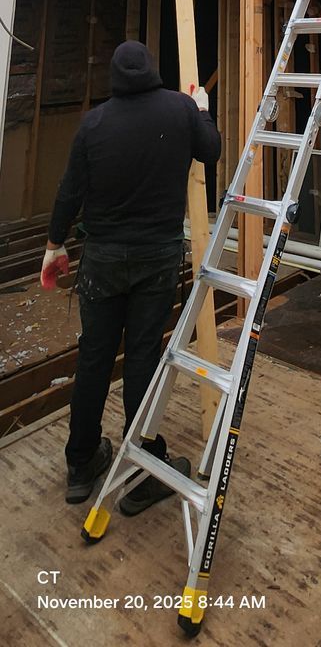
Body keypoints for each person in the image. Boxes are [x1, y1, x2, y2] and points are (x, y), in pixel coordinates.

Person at [40, 40, 221, 509]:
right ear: (152, 72)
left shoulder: (94, 123)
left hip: (102, 260)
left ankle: (81, 466)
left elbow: (69, 191)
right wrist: (202, 108)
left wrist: (53, 245)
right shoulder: (179, 110)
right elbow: (212, 151)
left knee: (94, 360)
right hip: (156, 258)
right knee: (143, 359)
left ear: (115, 78)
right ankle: (141, 474)